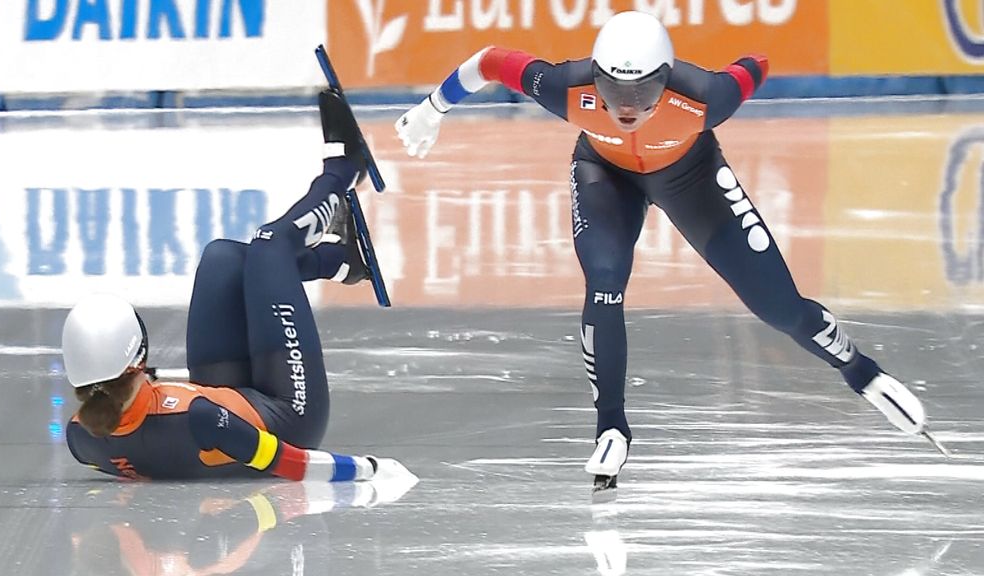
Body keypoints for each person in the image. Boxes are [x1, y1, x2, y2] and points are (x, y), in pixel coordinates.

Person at [394, 11, 931, 489]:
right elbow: (488, 61)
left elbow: (755, 64)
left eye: (643, 94)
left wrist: (751, 64)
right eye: (613, 92)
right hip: (604, 172)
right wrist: (432, 108)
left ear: (667, 79)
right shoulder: (563, 86)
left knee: (780, 307)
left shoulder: (706, 96)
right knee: (605, 280)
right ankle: (610, 426)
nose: (627, 108)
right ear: (595, 79)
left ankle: (863, 372)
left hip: (691, 177)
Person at [63, 90, 384, 482]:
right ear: (139, 358)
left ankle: (339, 262)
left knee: (223, 259)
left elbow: (148, 431)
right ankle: (344, 170)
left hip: (227, 405)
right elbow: (286, 463)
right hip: (290, 420)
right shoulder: (193, 417)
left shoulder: (81, 438)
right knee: (269, 245)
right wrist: (365, 469)